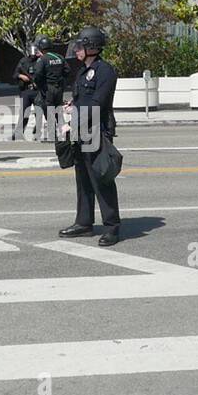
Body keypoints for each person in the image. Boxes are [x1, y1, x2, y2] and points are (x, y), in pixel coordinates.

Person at [58, 26, 121, 246]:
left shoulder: (105, 71)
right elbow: (83, 98)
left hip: (97, 131)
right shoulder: (83, 70)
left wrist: (72, 122)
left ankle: (112, 227)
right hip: (81, 131)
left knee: (101, 178)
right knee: (83, 179)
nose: (76, 49)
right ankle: (84, 222)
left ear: (92, 47)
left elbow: (97, 103)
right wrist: (72, 105)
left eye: (80, 46)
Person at [31, 37, 67, 141]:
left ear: (41, 48)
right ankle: (65, 132)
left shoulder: (43, 59)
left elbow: (37, 75)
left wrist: (39, 85)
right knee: (58, 111)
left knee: (49, 110)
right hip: (59, 88)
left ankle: (52, 135)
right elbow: (67, 71)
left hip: (48, 88)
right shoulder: (59, 57)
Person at [14, 47, 37, 140]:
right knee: (24, 112)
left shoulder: (40, 61)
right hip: (26, 90)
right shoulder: (23, 61)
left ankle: (37, 130)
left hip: (37, 90)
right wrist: (21, 76)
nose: (33, 56)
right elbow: (15, 74)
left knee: (39, 111)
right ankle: (19, 132)